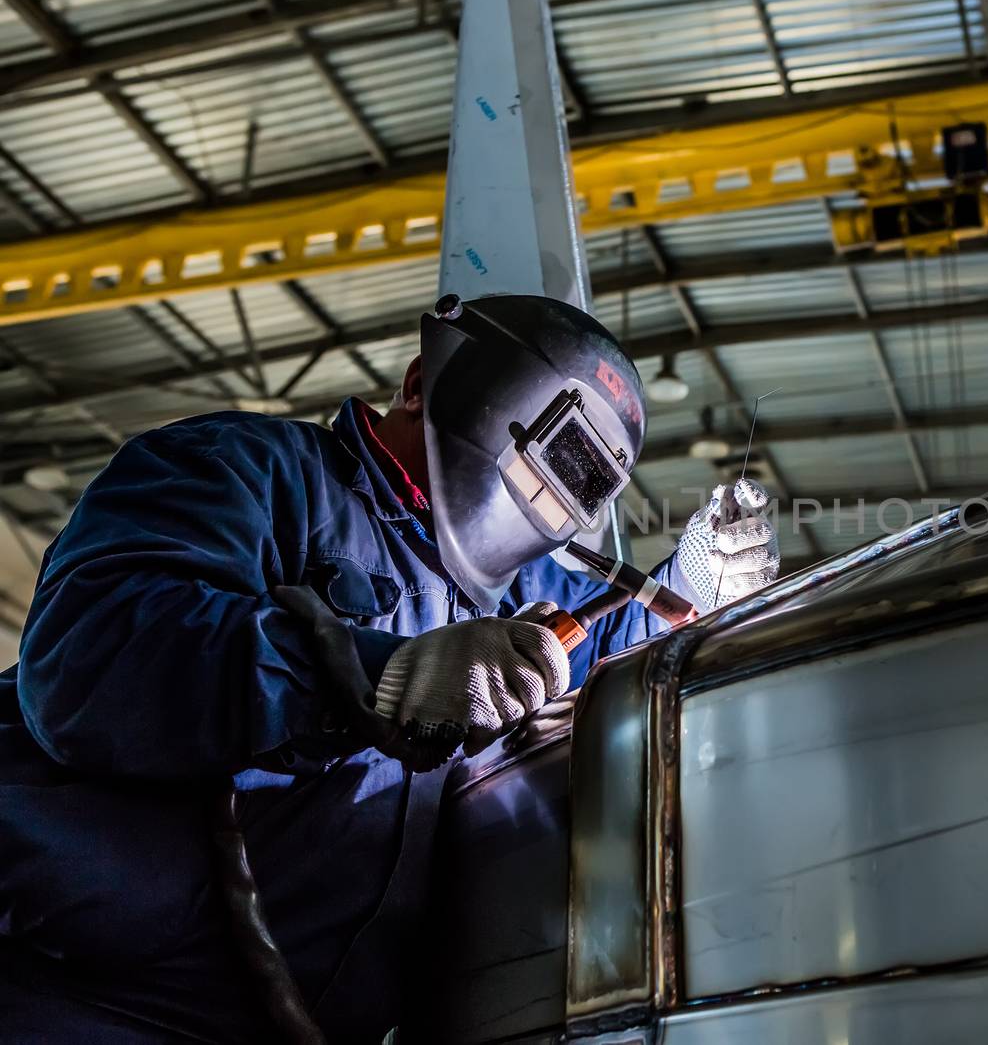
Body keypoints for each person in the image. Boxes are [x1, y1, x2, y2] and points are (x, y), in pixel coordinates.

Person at [0, 294, 779, 1042]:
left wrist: (695, 584)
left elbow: (621, 646)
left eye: (580, 483)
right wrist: (380, 676)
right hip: (80, 998)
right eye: (552, 456)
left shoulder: (523, 593)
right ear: (419, 384)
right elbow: (88, 659)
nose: (547, 498)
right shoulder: (252, 472)